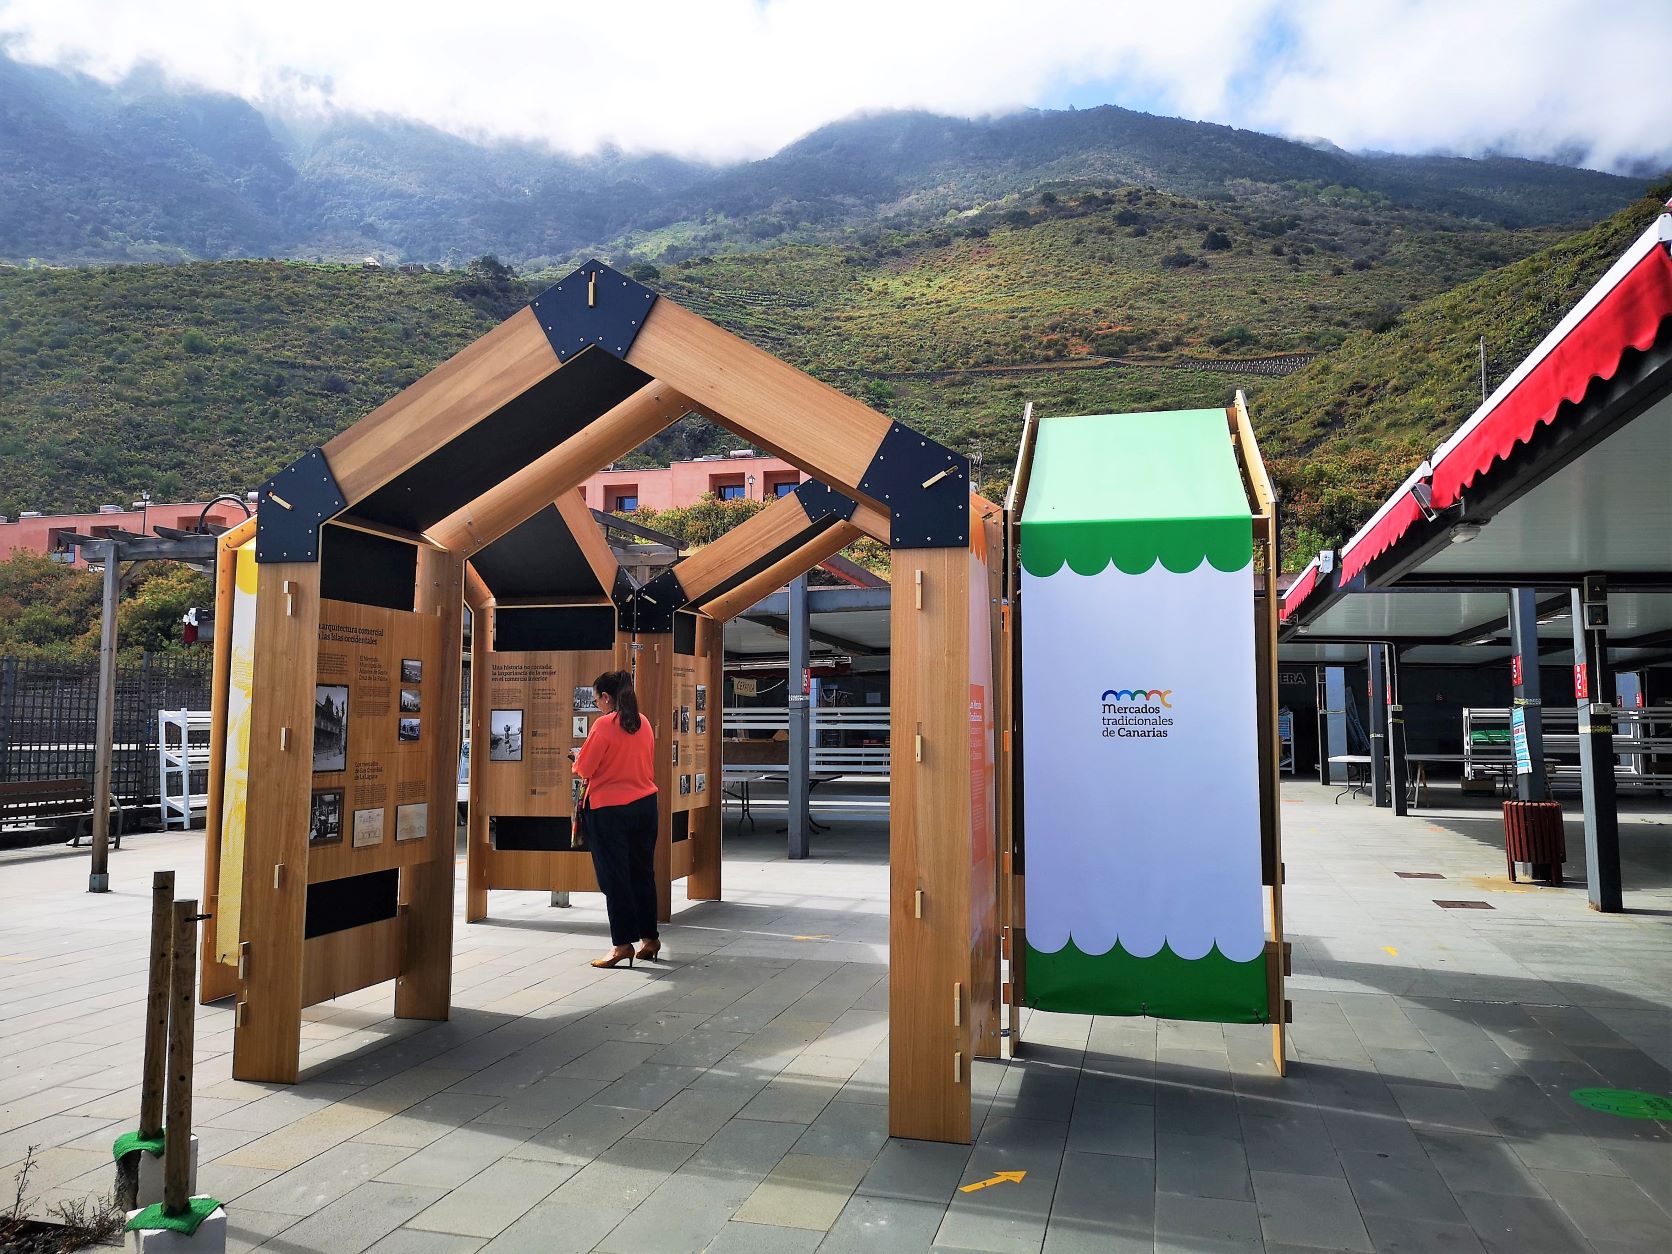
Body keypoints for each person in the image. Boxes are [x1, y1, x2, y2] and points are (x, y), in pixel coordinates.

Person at [568, 670, 660, 968]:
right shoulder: (643, 722)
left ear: (606, 697)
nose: (597, 705)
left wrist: (576, 756)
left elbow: (585, 768)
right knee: (642, 873)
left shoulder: (604, 726)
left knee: (614, 877)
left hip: (610, 810)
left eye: (596, 700)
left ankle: (622, 945)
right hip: (646, 805)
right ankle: (650, 939)